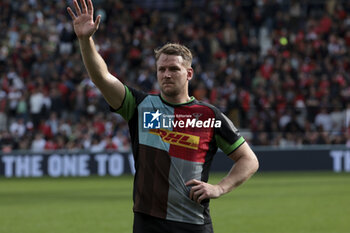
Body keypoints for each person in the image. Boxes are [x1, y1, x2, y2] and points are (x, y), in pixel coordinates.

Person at [67, 1, 259, 233]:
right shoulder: (139, 106)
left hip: (193, 223)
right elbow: (102, 78)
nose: (166, 74)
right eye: (162, 69)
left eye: (174, 69)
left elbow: (249, 160)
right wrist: (85, 41)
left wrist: (219, 188)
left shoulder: (209, 116)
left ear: (188, 73)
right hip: (148, 222)